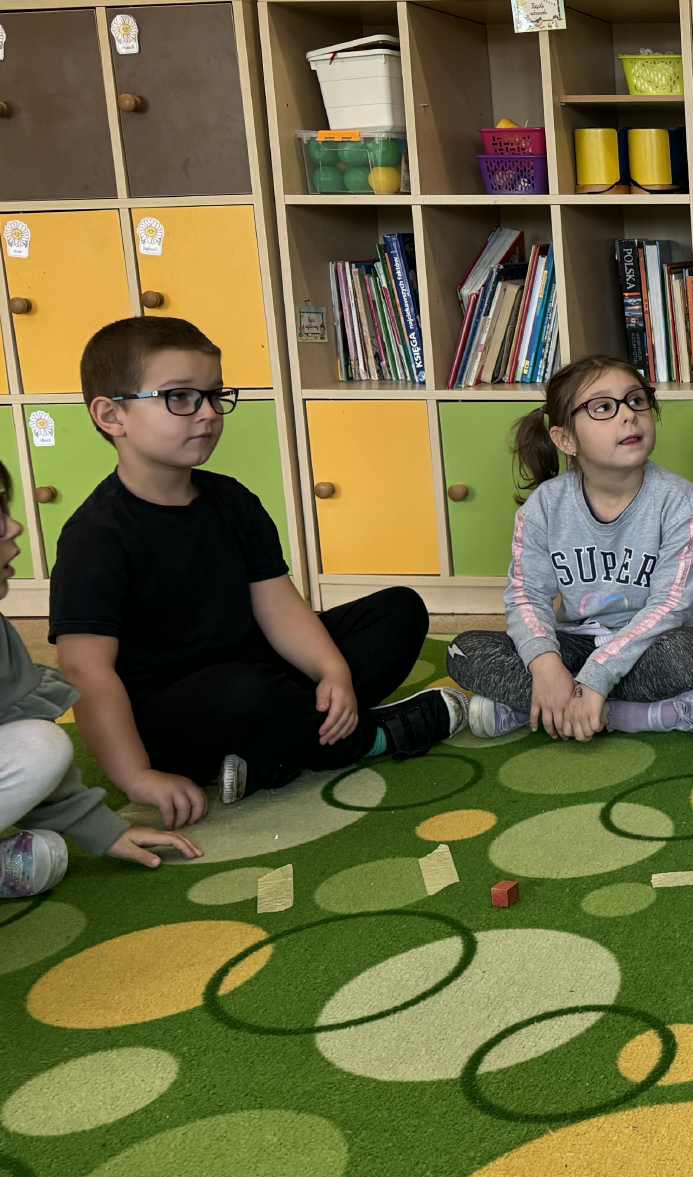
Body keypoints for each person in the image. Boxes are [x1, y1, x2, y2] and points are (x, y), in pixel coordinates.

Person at [50, 318, 458, 829]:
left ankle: (271, 754)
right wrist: (137, 777)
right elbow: (87, 672)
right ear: (112, 415)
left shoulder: (232, 500)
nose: (208, 413)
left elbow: (279, 604)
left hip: (261, 675)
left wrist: (332, 671)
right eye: (180, 397)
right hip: (177, 718)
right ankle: (363, 739)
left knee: (400, 611)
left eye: (215, 395)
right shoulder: (94, 536)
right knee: (246, 693)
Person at [447, 355, 693, 742]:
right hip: (576, 640)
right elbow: (527, 595)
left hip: (652, 643)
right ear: (565, 440)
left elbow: (669, 607)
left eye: (636, 400)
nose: (629, 415)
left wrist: (596, 677)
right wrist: (546, 666)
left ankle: (544, 711)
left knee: (692, 655)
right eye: (603, 408)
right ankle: (634, 712)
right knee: (463, 651)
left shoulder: (679, 501)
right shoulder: (544, 506)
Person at [3, 460, 197, 898]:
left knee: (40, 750)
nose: (14, 527)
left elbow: (18, 736)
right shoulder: (96, 529)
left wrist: (104, 832)